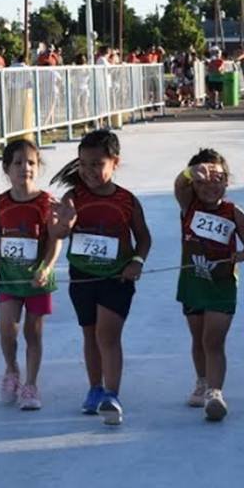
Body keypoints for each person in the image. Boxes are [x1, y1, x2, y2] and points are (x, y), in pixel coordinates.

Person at [50, 129, 152, 426]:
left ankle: (112, 393)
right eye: (83, 164)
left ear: (114, 162)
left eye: (97, 164)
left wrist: (136, 261)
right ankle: (94, 388)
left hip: (117, 277)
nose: (89, 171)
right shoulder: (73, 197)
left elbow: (144, 237)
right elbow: (57, 233)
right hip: (82, 276)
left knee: (108, 335)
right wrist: (64, 225)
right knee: (90, 334)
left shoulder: (127, 200)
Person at [173, 149, 244, 421]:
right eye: (201, 181)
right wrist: (188, 174)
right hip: (193, 284)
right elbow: (178, 185)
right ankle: (201, 380)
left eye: (217, 179)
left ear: (227, 181)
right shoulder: (189, 206)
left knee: (214, 340)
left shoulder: (234, 213)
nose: (210, 186)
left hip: (222, 285)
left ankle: (215, 392)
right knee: (198, 339)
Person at [0, 139, 61, 411]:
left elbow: (54, 241)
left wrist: (45, 268)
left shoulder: (46, 202)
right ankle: (12, 370)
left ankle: (31, 384)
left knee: (33, 333)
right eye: (18, 163)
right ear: (6, 168)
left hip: (37, 281)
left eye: (31, 163)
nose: (25, 168)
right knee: (7, 331)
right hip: (10, 279)